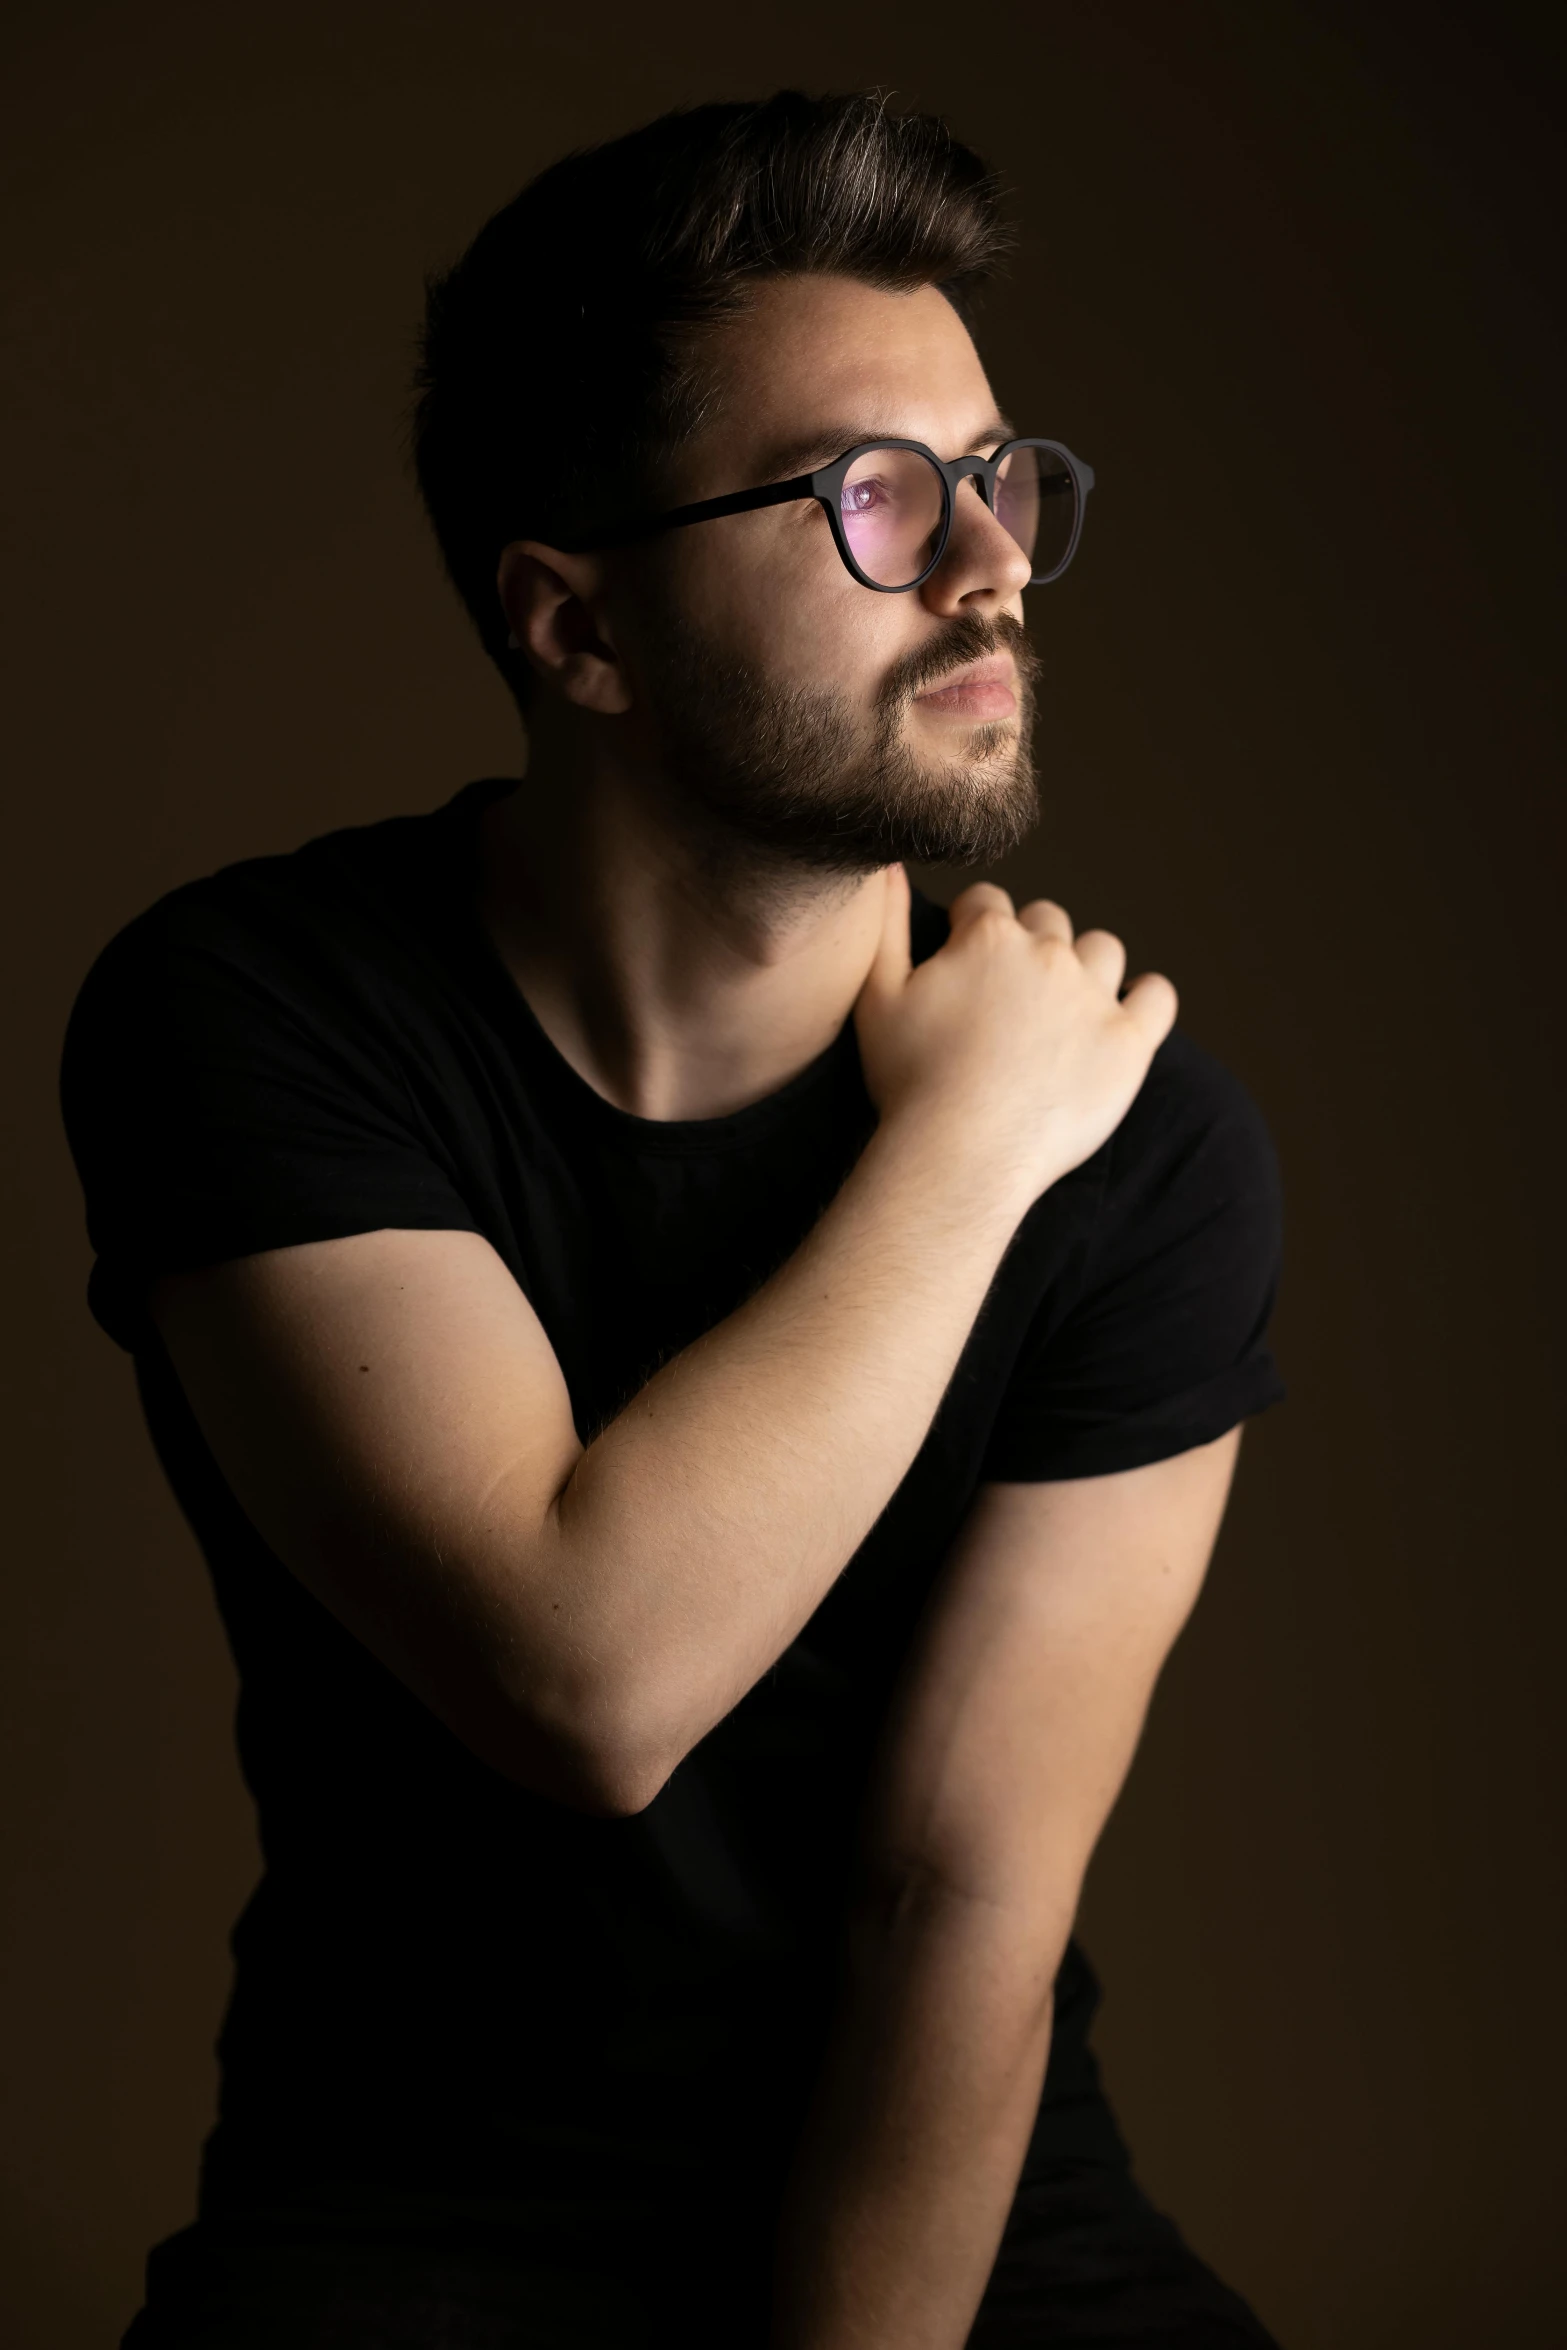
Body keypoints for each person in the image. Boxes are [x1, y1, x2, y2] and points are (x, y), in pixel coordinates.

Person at [61, 89, 1286, 2350]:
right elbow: (585, 1672)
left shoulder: (1144, 1134)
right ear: (576, 627)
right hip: (402, 2235)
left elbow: (961, 1901)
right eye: (872, 496)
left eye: (996, 476)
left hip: (987, 2231)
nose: (988, 562)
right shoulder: (253, 1012)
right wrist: (955, 1159)